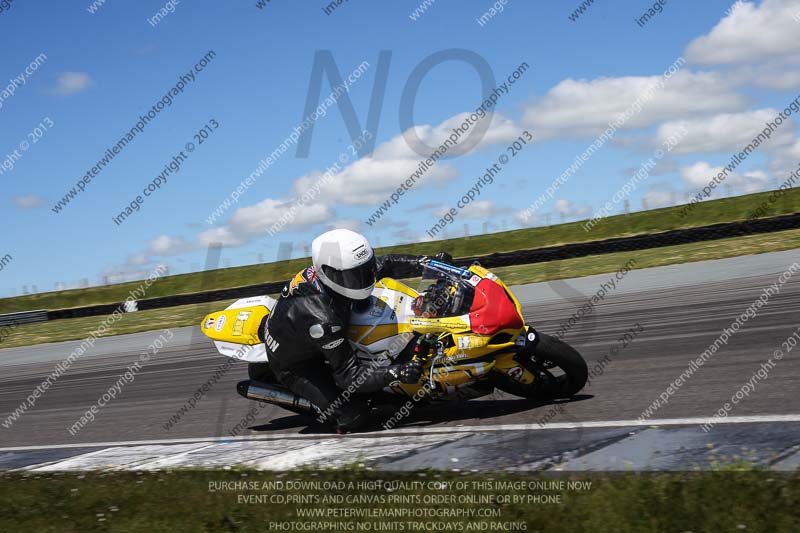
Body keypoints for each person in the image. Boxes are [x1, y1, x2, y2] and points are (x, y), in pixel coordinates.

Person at [263, 228, 452, 433]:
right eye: (355, 277)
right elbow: (349, 376)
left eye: (365, 270)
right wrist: (396, 372)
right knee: (355, 417)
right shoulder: (322, 319)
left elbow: (387, 264)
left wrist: (428, 264)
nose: (364, 280)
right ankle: (325, 407)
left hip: (316, 331)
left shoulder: (346, 270)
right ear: (328, 274)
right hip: (297, 364)